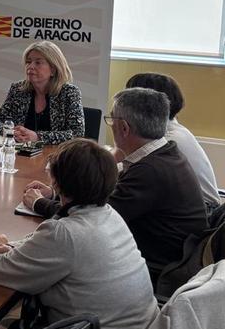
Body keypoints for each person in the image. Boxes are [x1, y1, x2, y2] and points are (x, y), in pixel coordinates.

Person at [0, 139, 158, 329]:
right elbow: (42, 244)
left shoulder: (65, 234)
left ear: (57, 183)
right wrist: (12, 246)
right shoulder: (109, 215)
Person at [23, 88, 206, 280]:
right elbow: (96, 196)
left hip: (156, 267)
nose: (110, 126)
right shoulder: (163, 153)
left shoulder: (149, 171)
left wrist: (39, 203)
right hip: (171, 255)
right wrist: (54, 192)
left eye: (111, 120)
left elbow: (91, 218)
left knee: (48, 265)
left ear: (124, 128)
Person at [125, 72, 221, 208]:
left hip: (199, 213)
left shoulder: (165, 141)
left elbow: (130, 174)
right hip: (199, 209)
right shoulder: (176, 131)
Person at [0, 40, 84, 144]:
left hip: (55, 156)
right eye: (28, 62)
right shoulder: (18, 89)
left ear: (53, 69)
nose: (30, 66)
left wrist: (38, 137)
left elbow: (77, 134)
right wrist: (10, 132)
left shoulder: (69, 93)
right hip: (21, 154)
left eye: (38, 62)